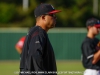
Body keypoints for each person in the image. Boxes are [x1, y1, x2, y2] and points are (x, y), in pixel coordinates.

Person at [19, 3, 61, 75]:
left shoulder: (35, 32)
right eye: (52, 15)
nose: (55, 17)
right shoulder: (38, 32)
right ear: (43, 17)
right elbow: (34, 55)